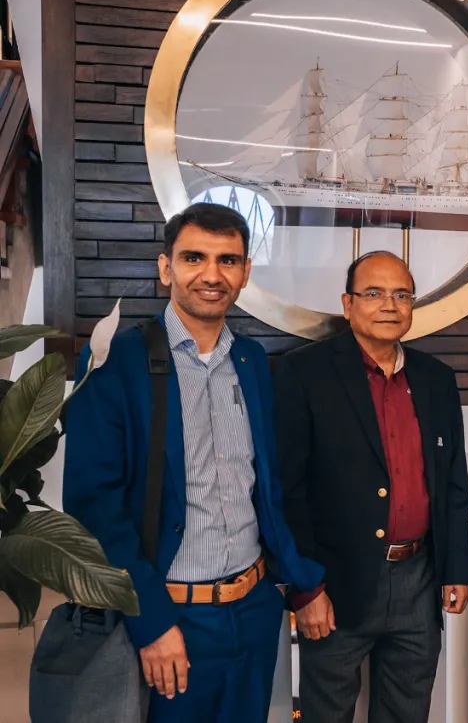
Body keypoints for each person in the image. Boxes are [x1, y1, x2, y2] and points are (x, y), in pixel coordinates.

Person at [63, 203, 325, 722]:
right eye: (193, 258)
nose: (211, 274)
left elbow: (267, 489)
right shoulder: (116, 361)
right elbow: (95, 506)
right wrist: (152, 622)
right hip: (170, 616)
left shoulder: (252, 361)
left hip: (254, 609)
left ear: (245, 273)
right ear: (166, 268)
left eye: (228, 260)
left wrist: (300, 582)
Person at [274, 250, 468, 723]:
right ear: (347, 304)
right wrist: (305, 589)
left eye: (402, 295)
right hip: (335, 585)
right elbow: (287, 489)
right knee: (327, 713)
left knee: (408, 712)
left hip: (419, 581)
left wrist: (457, 568)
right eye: (374, 293)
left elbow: (452, 483)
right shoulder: (303, 373)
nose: (389, 305)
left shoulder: (436, 379)